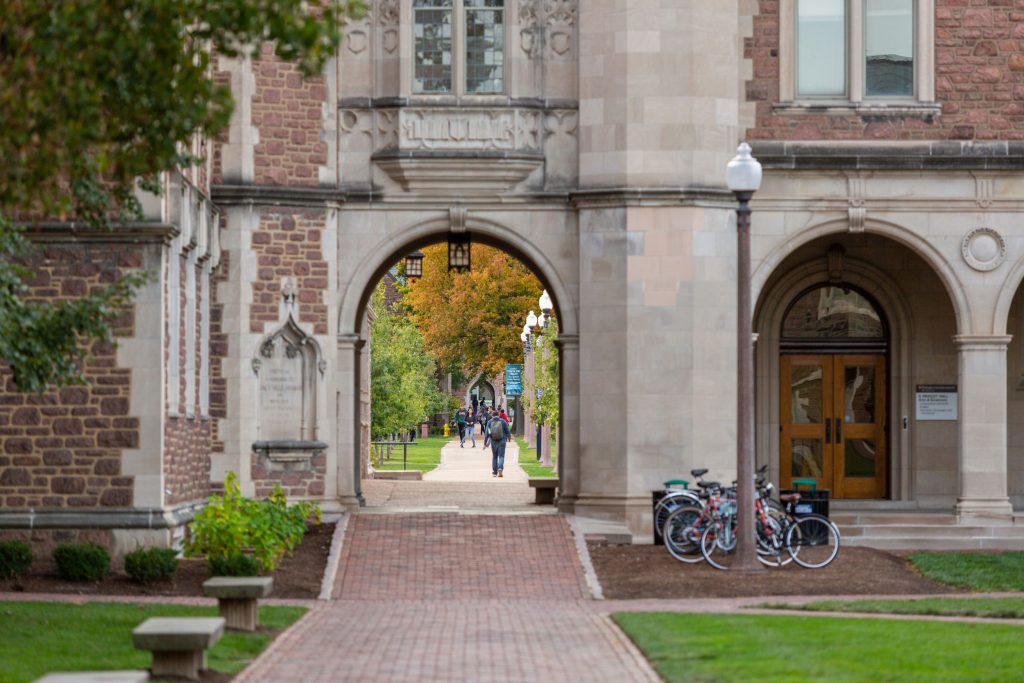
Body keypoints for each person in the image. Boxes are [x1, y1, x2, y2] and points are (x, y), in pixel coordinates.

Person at [487, 410, 510, 477]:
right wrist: (508, 438)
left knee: (494, 456)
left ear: (492, 416)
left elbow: (487, 433)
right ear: (498, 415)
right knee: (501, 456)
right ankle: (500, 468)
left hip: (493, 441)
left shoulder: (489, 422)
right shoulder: (502, 421)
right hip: (502, 440)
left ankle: (494, 472)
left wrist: (485, 443)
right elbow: (507, 431)